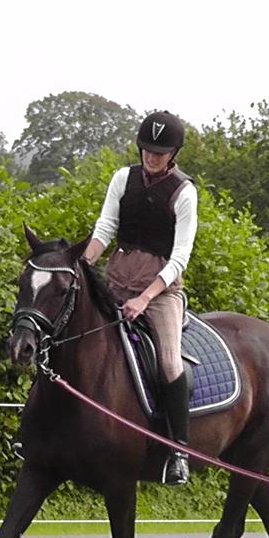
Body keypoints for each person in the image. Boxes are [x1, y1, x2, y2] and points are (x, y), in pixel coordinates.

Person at [82, 110, 198, 485]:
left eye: (159, 152)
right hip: (116, 282)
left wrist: (146, 298)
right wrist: (82, 263)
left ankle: (179, 451)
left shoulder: (184, 192)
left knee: (168, 362)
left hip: (160, 293)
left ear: (173, 153)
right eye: (147, 149)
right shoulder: (123, 179)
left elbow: (180, 257)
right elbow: (105, 228)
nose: (151, 157)